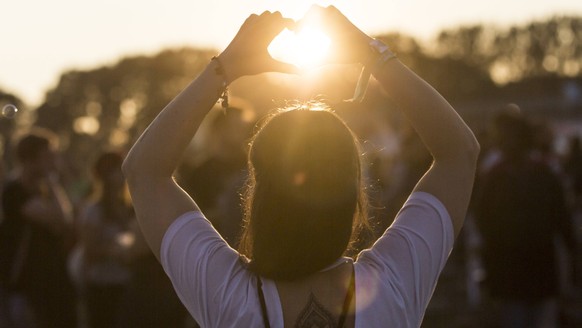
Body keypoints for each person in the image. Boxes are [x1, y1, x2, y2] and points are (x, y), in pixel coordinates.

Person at [122, 5, 479, 328]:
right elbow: (459, 154)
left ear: (257, 196)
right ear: (356, 198)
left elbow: (145, 171)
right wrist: (374, 56)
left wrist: (225, 68)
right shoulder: (393, 283)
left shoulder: (227, 294)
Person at [474, 110, 574, 328]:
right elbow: (564, 222)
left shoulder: (499, 177)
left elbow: (484, 224)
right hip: (525, 269)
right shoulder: (538, 174)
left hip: (521, 270)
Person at [0, 128, 77, 328]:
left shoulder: (44, 192)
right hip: (26, 287)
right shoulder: (14, 192)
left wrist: (51, 185)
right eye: (48, 155)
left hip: (53, 284)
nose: (54, 160)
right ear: (30, 158)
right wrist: (52, 181)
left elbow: (65, 222)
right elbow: (56, 216)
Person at [77, 151, 134, 328]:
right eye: (119, 169)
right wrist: (113, 251)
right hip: (101, 288)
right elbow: (89, 251)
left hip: (125, 285)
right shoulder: (93, 210)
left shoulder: (129, 208)